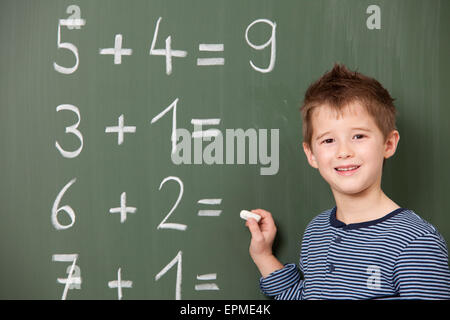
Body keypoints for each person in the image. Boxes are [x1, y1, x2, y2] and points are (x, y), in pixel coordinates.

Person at [245, 64, 450, 299]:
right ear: (311, 154)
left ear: (388, 144)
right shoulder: (317, 232)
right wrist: (263, 255)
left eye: (359, 136)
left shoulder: (415, 241)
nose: (344, 151)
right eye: (328, 140)